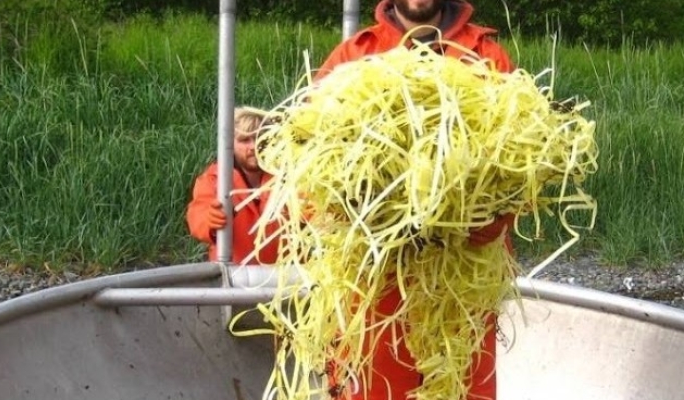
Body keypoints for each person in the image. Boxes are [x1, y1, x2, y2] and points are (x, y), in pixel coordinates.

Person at [313, 1, 516, 399]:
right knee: (371, 390)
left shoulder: (485, 55)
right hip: (374, 282)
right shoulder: (356, 56)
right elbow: (309, 161)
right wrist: (346, 216)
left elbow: (519, 162)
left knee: (463, 390)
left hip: (463, 277)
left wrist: (489, 219)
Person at [185, 107, 280, 266]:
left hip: (284, 279)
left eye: (260, 138)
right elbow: (197, 216)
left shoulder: (288, 176)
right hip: (233, 278)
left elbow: (311, 212)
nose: (253, 146)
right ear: (230, 144)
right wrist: (210, 219)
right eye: (245, 140)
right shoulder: (214, 179)